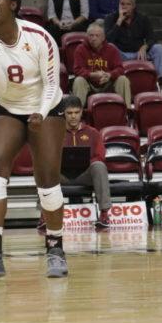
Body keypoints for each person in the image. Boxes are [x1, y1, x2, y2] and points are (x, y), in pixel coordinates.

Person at [0, 0, 69, 279]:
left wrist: (40, 111)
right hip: (7, 106)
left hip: (46, 105)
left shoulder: (40, 37)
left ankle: (55, 248)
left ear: (13, 4)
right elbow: (0, 87)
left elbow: (52, 83)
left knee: (48, 179)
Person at [57, 95, 111, 230]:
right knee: (44, 168)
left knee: (99, 166)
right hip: (61, 175)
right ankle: (44, 216)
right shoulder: (55, 133)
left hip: (85, 175)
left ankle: (104, 214)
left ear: (82, 112)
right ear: (64, 113)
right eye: (69, 113)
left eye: (76, 112)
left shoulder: (93, 133)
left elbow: (100, 156)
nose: (73, 116)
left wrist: (86, 162)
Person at [104, 0, 162, 79]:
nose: (124, 7)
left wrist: (145, 46)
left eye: (128, 4)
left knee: (159, 48)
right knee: (110, 46)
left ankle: (158, 77)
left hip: (139, 54)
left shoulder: (142, 18)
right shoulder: (110, 18)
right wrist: (119, 21)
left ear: (133, 6)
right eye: (122, 4)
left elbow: (152, 37)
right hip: (121, 55)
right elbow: (107, 40)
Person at [72, 23, 132, 108]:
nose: (94, 38)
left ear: (103, 37)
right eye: (91, 35)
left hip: (108, 82)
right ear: (87, 37)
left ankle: (126, 112)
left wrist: (109, 75)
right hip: (89, 83)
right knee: (79, 80)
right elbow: (77, 70)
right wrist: (92, 75)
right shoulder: (80, 49)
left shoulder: (112, 49)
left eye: (97, 36)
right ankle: (77, 113)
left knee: (123, 79)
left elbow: (120, 69)